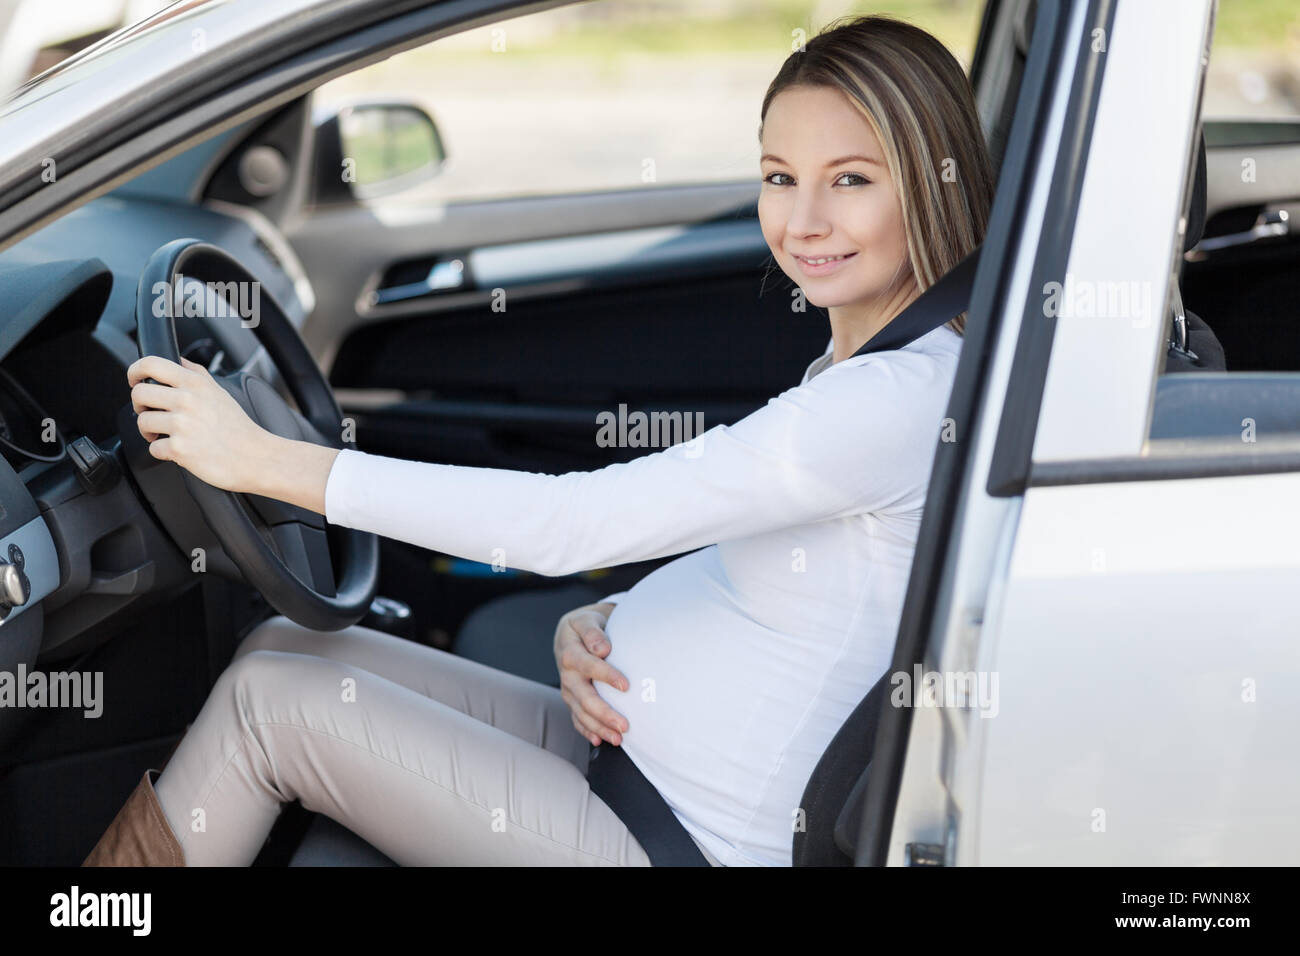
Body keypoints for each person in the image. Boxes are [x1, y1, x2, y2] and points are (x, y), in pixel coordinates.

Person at [83, 12, 994, 868]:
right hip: (627, 760)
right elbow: (792, 568)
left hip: (682, 841)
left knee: (264, 707)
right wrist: (607, 621)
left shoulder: (894, 401)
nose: (802, 222)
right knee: (286, 648)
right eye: (779, 176)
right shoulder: (883, 367)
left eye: (851, 179)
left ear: (930, 179)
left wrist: (269, 463)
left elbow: (571, 522)